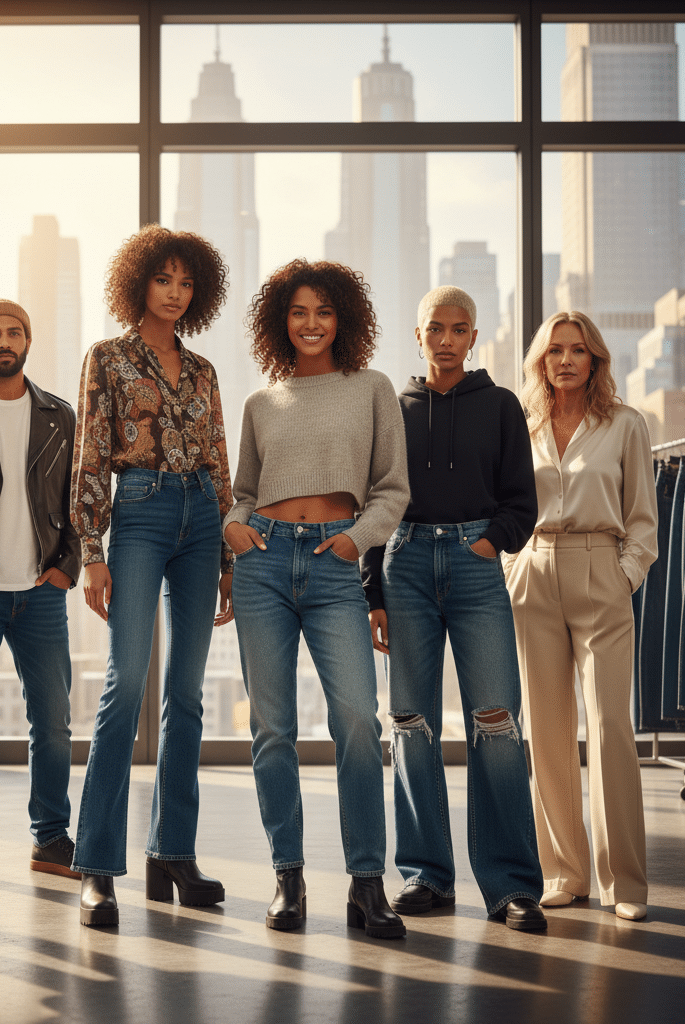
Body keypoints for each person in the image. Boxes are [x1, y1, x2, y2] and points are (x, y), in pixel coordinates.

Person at [224, 259, 410, 937]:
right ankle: (289, 879)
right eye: (298, 312)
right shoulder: (260, 402)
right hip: (264, 565)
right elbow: (242, 491)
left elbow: (392, 487)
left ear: (344, 320)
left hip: (336, 566)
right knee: (272, 729)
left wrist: (356, 541)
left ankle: (367, 884)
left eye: (323, 312)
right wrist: (234, 529)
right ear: (281, 320)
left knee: (359, 720)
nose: (310, 323)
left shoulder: (371, 388)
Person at [361, 285, 547, 931]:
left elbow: (521, 500)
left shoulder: (500, 406)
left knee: (496, 725)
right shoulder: (392, 406)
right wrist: (374, 593)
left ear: (474, 337)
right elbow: (373, 503)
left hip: (475, 568)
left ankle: (513, 886)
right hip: (404, 564)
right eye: (434, 327)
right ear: (418, 335)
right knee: (410, 724)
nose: (446, 339)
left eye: (458, 328)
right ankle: (425, 876)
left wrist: (489, 543)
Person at [70, 224, 232, 927]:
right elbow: (89, 455)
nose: (174, 291)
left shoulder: (203, 371)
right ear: (139, 282)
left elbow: (221, 462)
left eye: (186, 282)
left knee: (187, 696)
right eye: (164, 278)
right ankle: (98, 866)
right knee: (125, 685)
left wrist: (227, 556)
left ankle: (173, 852)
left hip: (201, 517)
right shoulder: (107, 358)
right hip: (136, 511)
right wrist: (91, 551)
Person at [505, 311, 658, 922]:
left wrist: (625, 574)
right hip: (534, 570)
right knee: (545, 730)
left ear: (595, 360)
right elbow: (506, 505)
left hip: (602, 572)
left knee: (610, 728)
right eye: (554, 350)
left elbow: (642, 517)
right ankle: (563, 871)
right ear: (540, 361)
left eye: (578, 350)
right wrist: (512, 569)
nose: (566, 360)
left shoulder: (625, 425)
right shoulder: (523, 426)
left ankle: (626, 882)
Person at [0, 298, 82, 888]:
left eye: (16, 332)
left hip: (41, 592)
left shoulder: (59, 416)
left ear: (28, 342)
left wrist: (67, 567)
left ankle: (51, 837)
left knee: (52, 723)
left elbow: (82, 498)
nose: (6, 341)